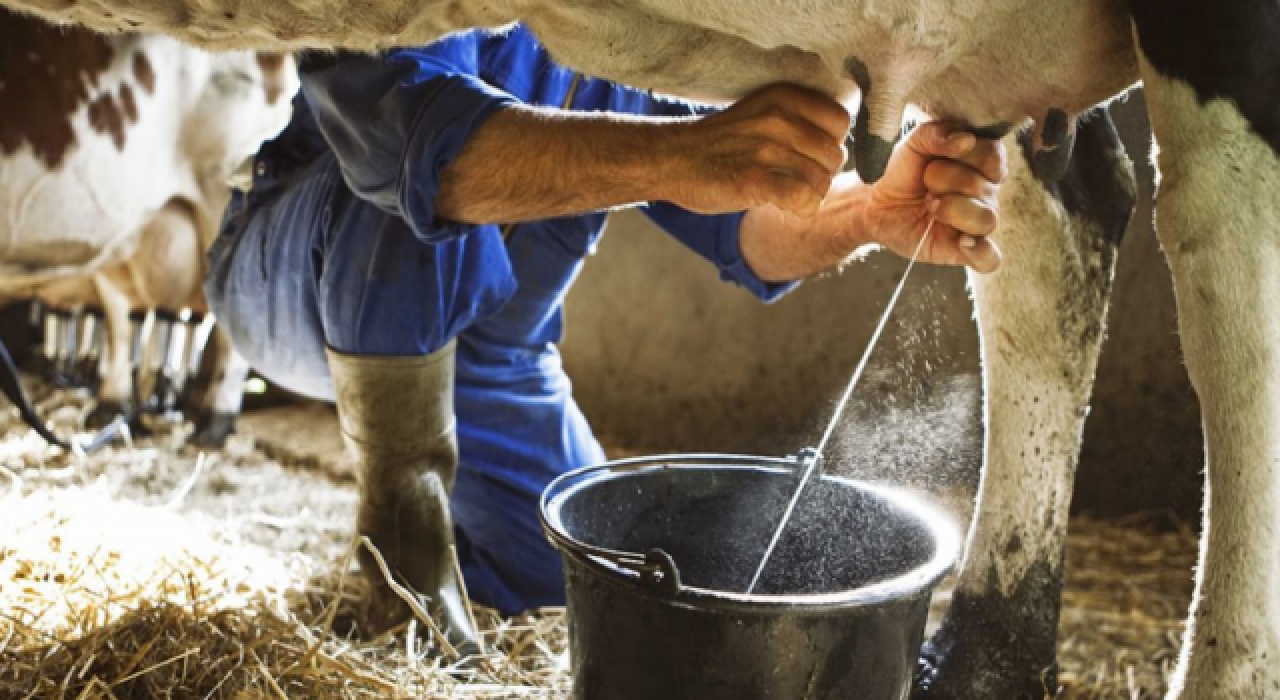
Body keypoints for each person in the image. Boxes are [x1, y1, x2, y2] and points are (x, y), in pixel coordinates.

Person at [206, 24, 1007, 649]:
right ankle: (401, 566)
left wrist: (867, 212)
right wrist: (682, 155)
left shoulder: (625, 28)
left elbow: (745, 223)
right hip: (292, 273)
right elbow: (411, 144)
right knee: (412, 183)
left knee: (589, 576)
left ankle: (464, 535)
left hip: (494, 361)